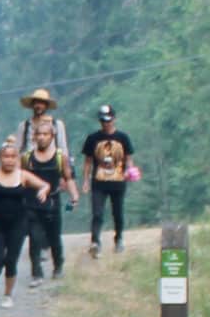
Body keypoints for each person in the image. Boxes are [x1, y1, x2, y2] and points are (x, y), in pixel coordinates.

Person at [0, 136, 46, 308]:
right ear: (0, 158)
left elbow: (44, 185)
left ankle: (8, 295)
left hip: (18, 225)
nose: (9, 160)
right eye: (6, 156)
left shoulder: (23, 175)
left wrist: (43, 191)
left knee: (11, 260)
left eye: (12, 157)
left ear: (18, 159)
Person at [20, 111, 71, 285]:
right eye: (39, 134)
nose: (41, 137)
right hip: (31, 203)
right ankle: (36, 273)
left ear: (52, 136)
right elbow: (21, 177)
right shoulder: (27, 158)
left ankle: (58, 265)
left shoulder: (60, 157)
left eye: (45, 134)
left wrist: (73, 195)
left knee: (54, 236)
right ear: (34, 137)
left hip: (53, 202)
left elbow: (68, 177)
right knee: (34, 238)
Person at [81, 103, 139, 256]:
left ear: (114, 119)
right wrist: (85, 180)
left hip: (118, 181)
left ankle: (118, 238)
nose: (105, 123)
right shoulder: (93, 138)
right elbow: (88, 162)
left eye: (108, 120)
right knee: (97, 213)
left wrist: (130, 171)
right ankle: (95, 241)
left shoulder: (123, 138)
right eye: (103, 120)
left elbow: (128, 158)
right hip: (98, 182)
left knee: (118, 213)